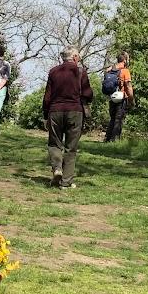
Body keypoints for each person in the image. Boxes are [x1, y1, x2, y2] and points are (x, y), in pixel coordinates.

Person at [42, 47, 93, 189]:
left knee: (54, 143)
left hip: (55, 111)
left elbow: (47, 97)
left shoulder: (53, 72)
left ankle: (57, 169)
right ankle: (66, 182)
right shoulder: (80, 72)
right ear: (75, 57)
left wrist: (45, 115)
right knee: (71, 148)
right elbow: (88, 94)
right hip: (75, 111)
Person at [103, 51, 134, 142]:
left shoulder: (110, 69)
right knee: (119, 120)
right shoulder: (125, 71)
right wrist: (131, 99)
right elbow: (128, 87)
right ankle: (115, 140)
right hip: (121, 98)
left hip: (112, 97)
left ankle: (107, 138)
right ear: (125, 60)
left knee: (112, 119)